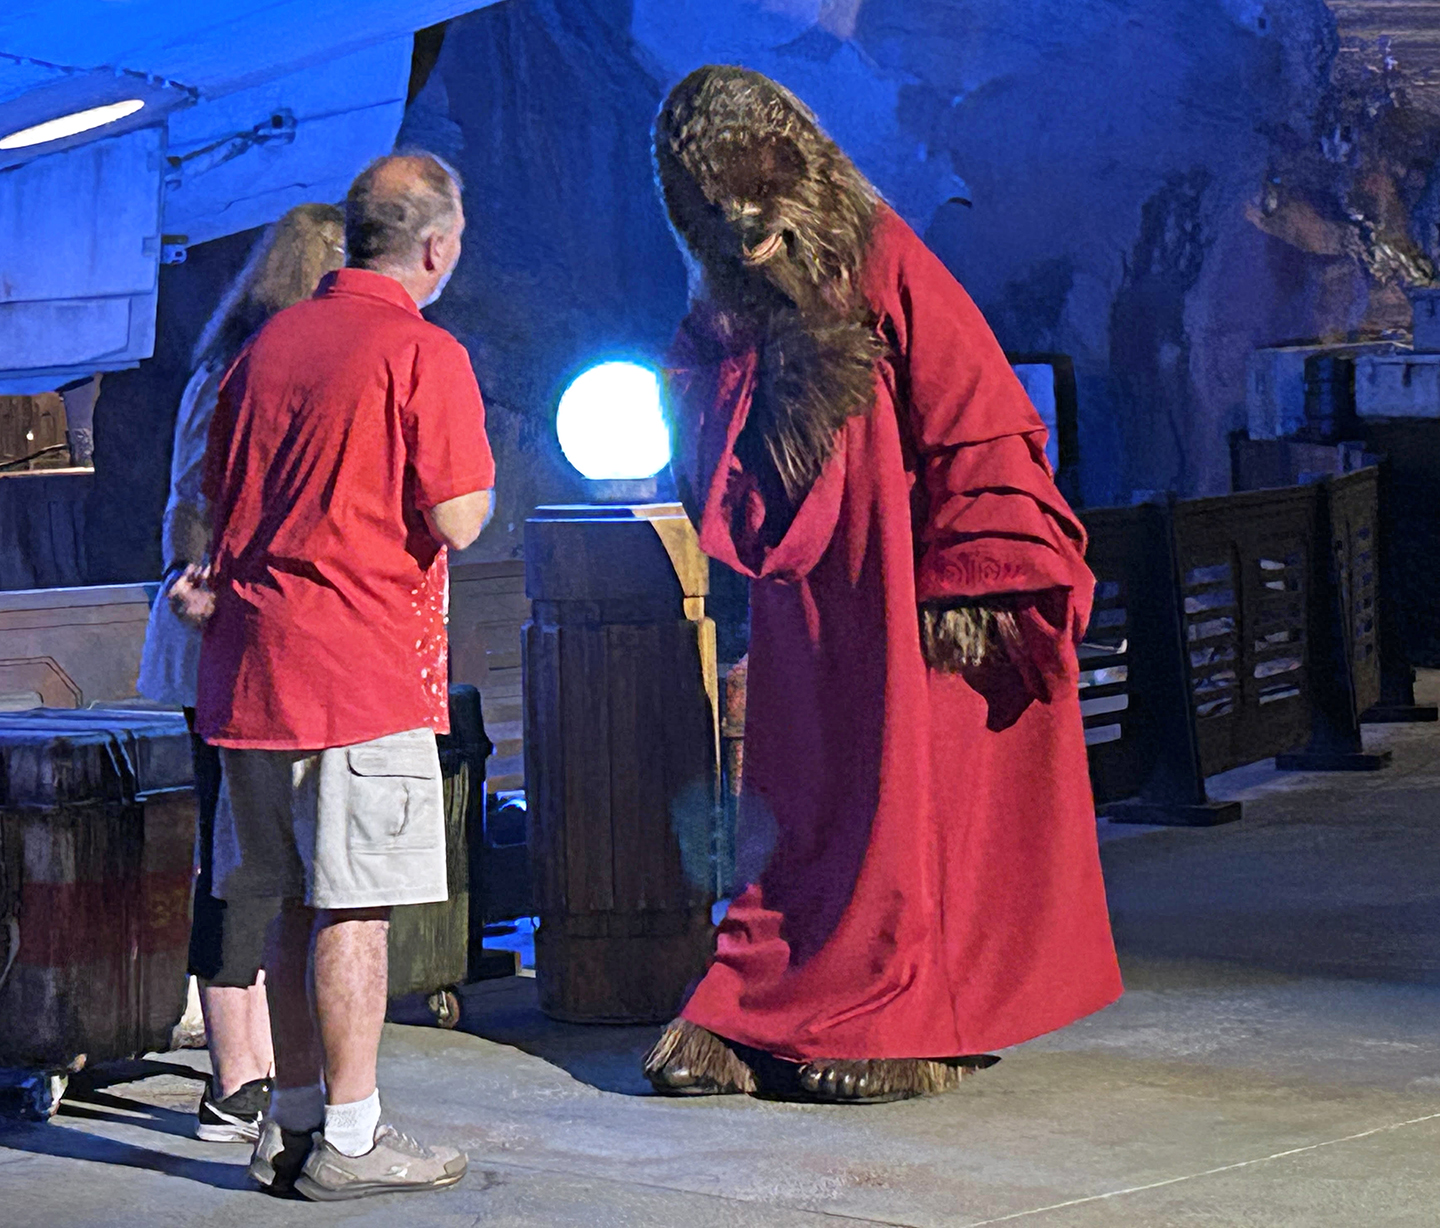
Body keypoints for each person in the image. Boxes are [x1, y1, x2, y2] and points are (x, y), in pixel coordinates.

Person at [643, 66, 1123, 1103]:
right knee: (806, 811)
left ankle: (906, 1020)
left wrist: (973, 581)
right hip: (814, 607)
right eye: (717, 216)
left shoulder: (884, 253)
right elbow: (705, 422)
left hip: (910, 597)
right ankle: (755, 1012)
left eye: (756, 209)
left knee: (902, 810)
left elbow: (976, 413)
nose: (743, 234)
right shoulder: (730, 303)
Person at [178, 152, 494, 1200]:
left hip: (253, 675)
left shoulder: (266, 343)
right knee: (356, 912)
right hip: (359, 671)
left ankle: (295, 1123)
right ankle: (353, 1140)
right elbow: (457, 517)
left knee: (290, 904)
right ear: (437, 246)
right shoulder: (421, 349)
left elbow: (209, 501)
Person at [138, 203, 347, 1143]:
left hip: (261, 635)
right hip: (217, 628)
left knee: (263, 851)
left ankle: (262, 1058)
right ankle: (233, 1076)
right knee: (238, 853)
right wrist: (209, 586)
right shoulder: (238, 369)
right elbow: (194, 503)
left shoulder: (268, 362)